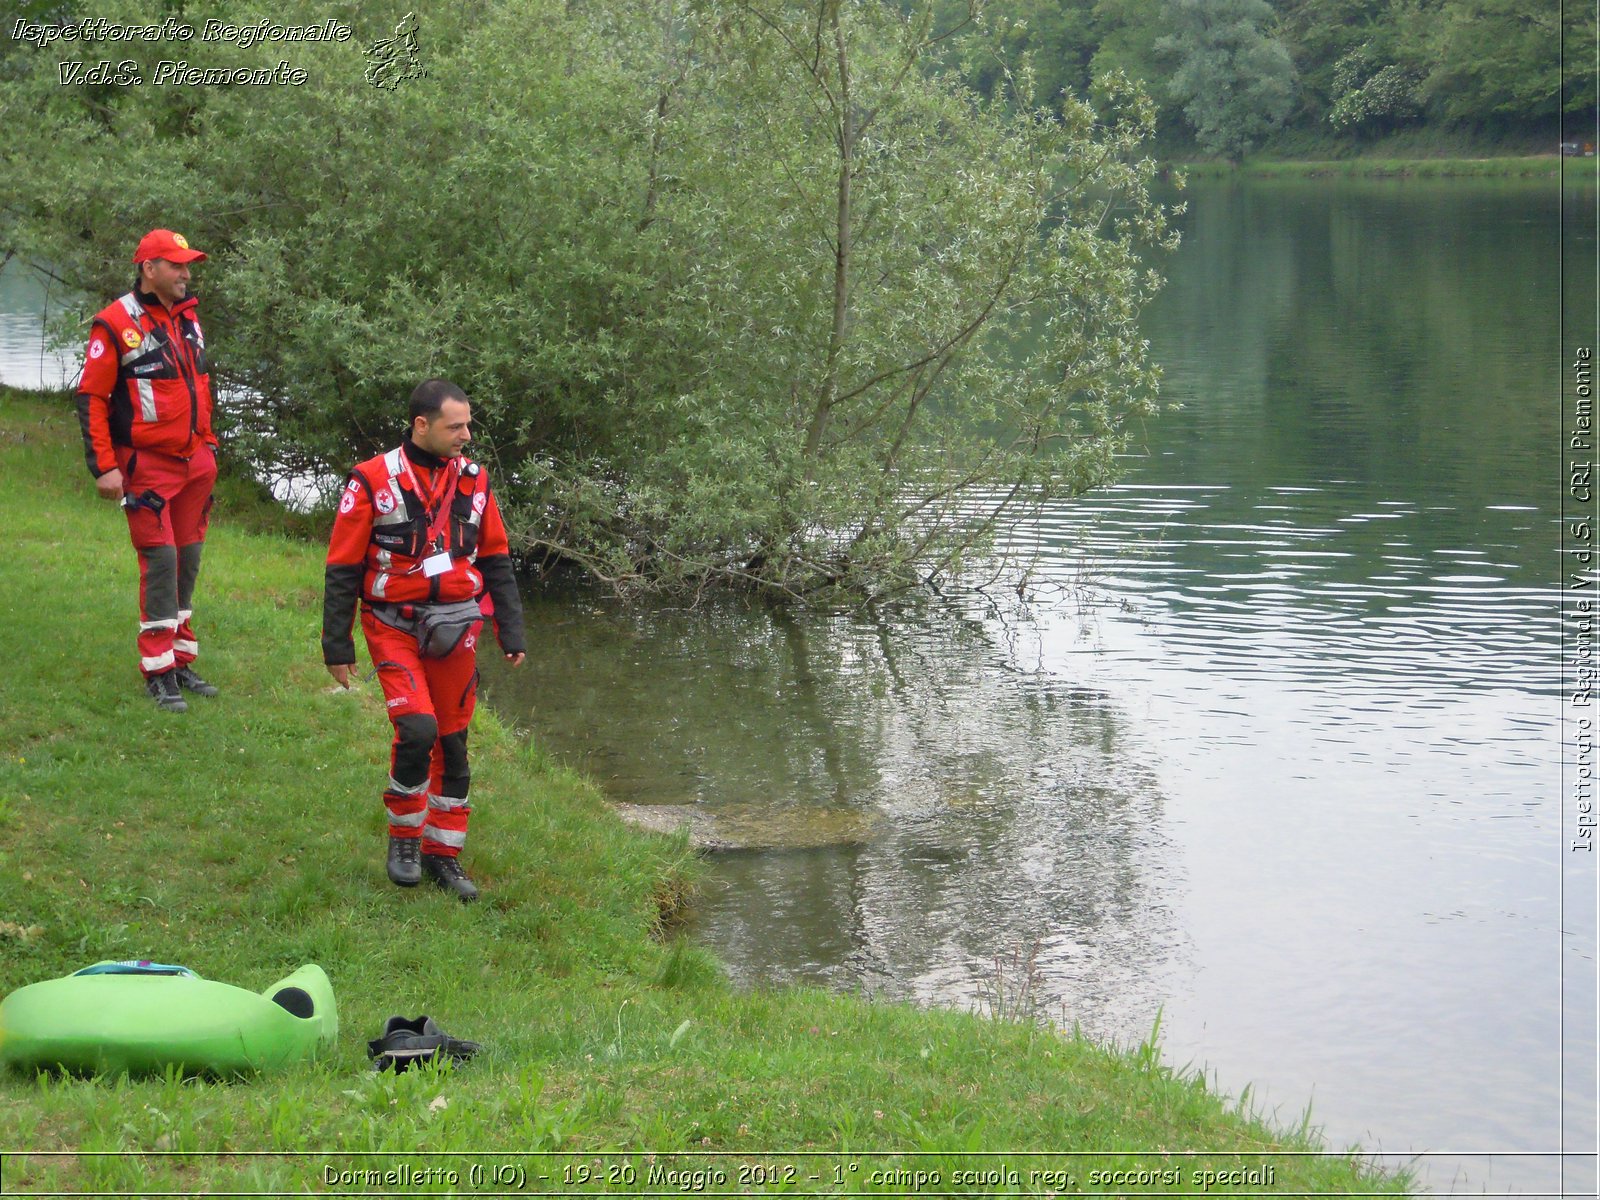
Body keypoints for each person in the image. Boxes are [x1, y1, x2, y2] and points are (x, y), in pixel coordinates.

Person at [322, 380, 527, 902]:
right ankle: (404, 842)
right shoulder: (371, 481)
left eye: (469, 424)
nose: (467, 435)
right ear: (421, 425)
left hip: (457, 625)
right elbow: (343, 566)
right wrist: (336, 646)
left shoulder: (477, 482)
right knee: (417, 729)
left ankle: (444, 853)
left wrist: (512, 630)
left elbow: (498, 559)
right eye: (456, 426)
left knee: (453, 743)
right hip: (394, 622)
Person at [75, 229, 220, 714]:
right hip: (147, 468)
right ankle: (157, 672)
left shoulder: (189, 317)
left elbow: (198, 385)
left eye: (187, 265)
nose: (186, 273)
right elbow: (92, 398)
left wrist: (209, 447)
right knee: (160, 564)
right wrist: (104, 466)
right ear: (148, 269)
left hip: (194, 465)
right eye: (176, 265)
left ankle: (180, 660)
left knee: (187, 561)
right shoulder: (114, 323)